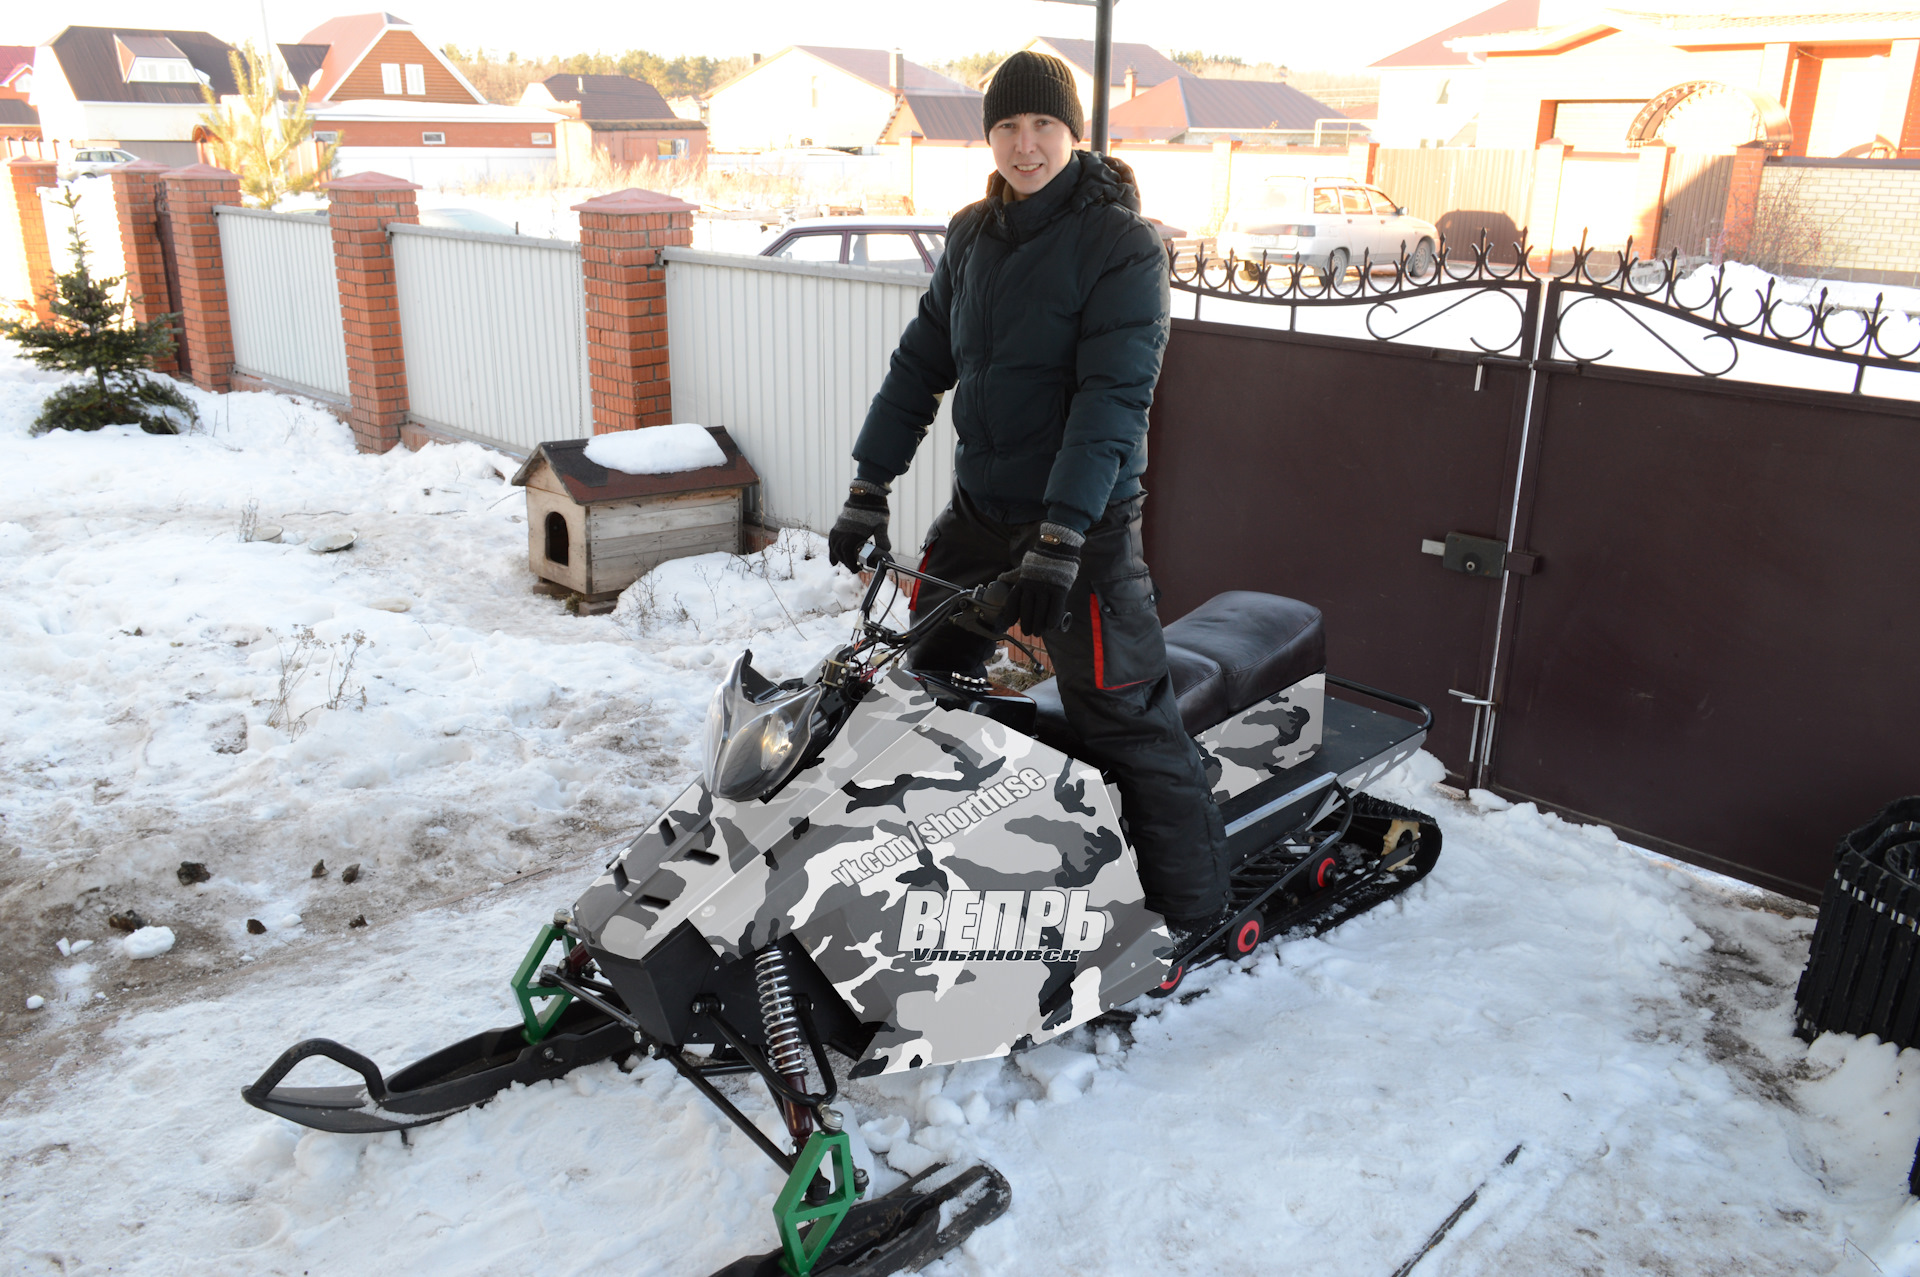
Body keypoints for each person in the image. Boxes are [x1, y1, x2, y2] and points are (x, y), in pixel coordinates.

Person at [825, 50, 1229, 943]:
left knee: (1122, 716)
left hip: (1083, 532)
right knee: (913, 682)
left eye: (1043, 125)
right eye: (1007, 126)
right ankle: (929, 870)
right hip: (978, 518)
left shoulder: (1121, 243)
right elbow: (918, 367)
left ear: (1072, 133)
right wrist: (867, 485)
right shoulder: (971, 235)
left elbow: (1112, 400)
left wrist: (1059, 539)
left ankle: (1195, 919)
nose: (1025, 144)